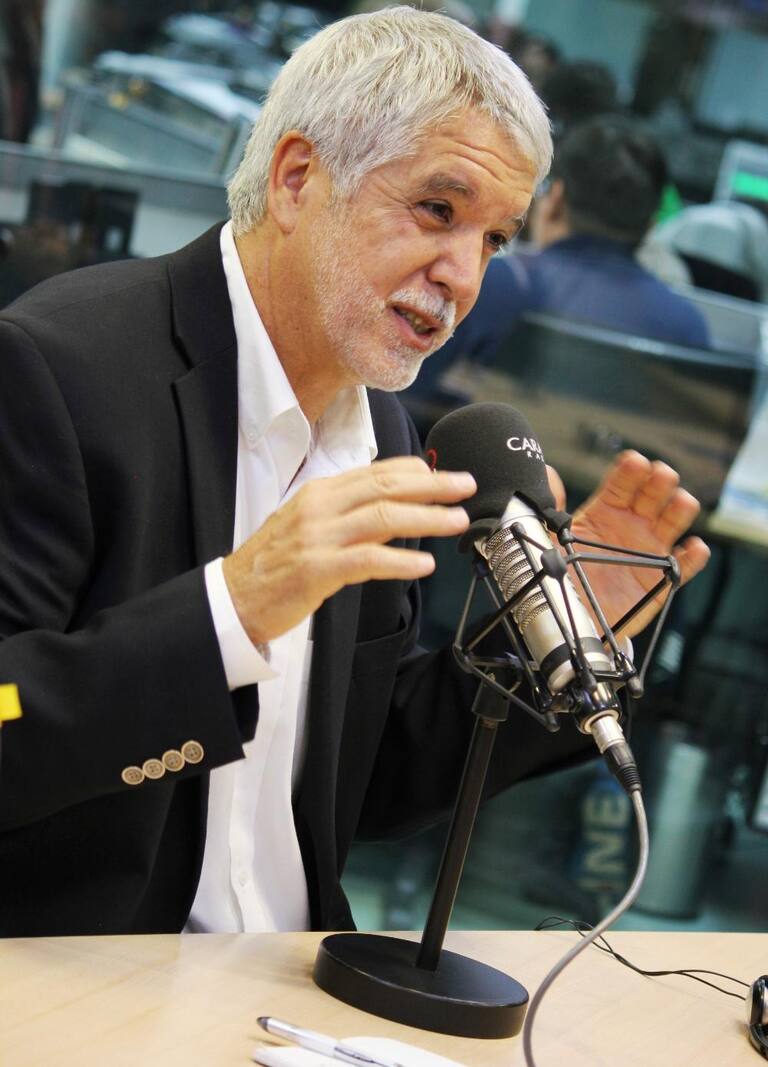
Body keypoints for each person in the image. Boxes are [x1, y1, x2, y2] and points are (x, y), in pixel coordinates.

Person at [0, 8, 709, 937]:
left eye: (495, 239)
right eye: (438, 211)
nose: (463, 276)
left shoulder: (386, 429)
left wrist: (554, 646)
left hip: (291, 978)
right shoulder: (59, 368)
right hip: (88, 975)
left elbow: (365, 775)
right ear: (297, 178)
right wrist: (230, 612)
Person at [414, 114, 710, 398]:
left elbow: (417, 403)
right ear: (650, 226)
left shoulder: (491, 285)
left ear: (554, 199)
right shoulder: (687, 327)